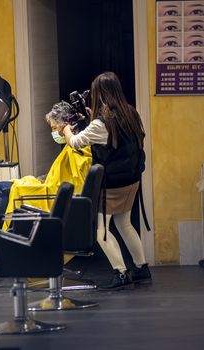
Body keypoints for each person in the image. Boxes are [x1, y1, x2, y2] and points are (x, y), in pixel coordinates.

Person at [62, 71, 151, 289]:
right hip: (132, 180)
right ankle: (141, 267)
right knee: (124, 223)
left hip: (112, 185)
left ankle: (120, 273)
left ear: (99, 94)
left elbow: (76, 142)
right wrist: (94, 118)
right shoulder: (131, 113)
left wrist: (65, 129)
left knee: (100, 231)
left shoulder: (101, 124)